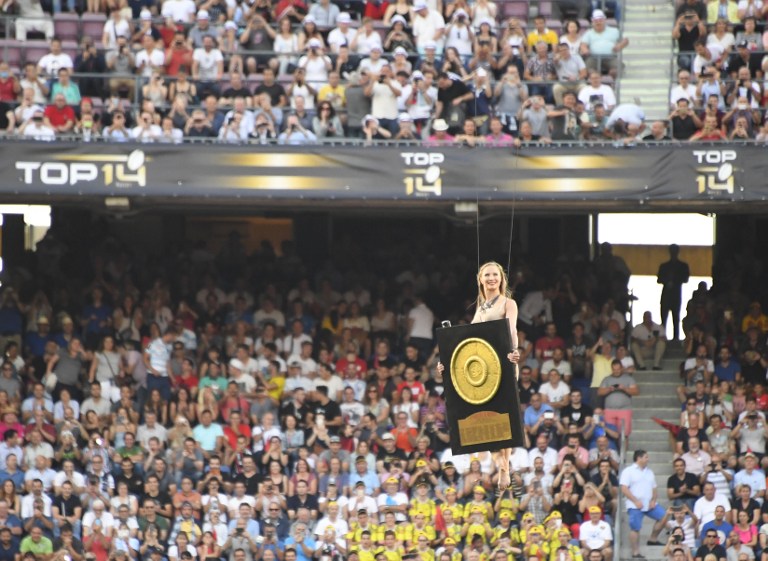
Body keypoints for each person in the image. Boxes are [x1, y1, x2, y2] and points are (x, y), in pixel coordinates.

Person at [437, 262, 521, 490]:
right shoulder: (481, 307)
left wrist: (514, 351)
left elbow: (511, 329)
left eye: (495, 274)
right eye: (487, 275)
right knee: (486, 417)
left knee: (503, 414)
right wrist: (447, 360)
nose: (492, 278)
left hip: (502, 362)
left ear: (501, 278)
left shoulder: (508, 303)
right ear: (480, 279)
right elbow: (467, 338)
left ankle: (505, 468)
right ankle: (502, 464)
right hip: (482, 368)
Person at [619, 450, 666, 558]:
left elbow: (654, 488)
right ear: (638, 458)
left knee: (664, 516)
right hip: (634, 505)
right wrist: (635, 501)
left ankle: (653, 539)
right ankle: (635, 552)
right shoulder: (628, 471)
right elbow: (624, 488)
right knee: (635, 527)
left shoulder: (649, 472)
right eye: (646, 457)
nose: (648, 459)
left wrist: (653, 500)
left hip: (649, 504)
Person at [657, 245, 690, 342]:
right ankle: (663, 338)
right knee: (664, 318)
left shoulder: (683, 266)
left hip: (676, 294)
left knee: (676, 317)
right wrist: (668, 281)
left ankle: (676, 339)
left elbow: (685, 278)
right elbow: (659, 279)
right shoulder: (664, 266)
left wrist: (673, 280)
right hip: (667, 294)